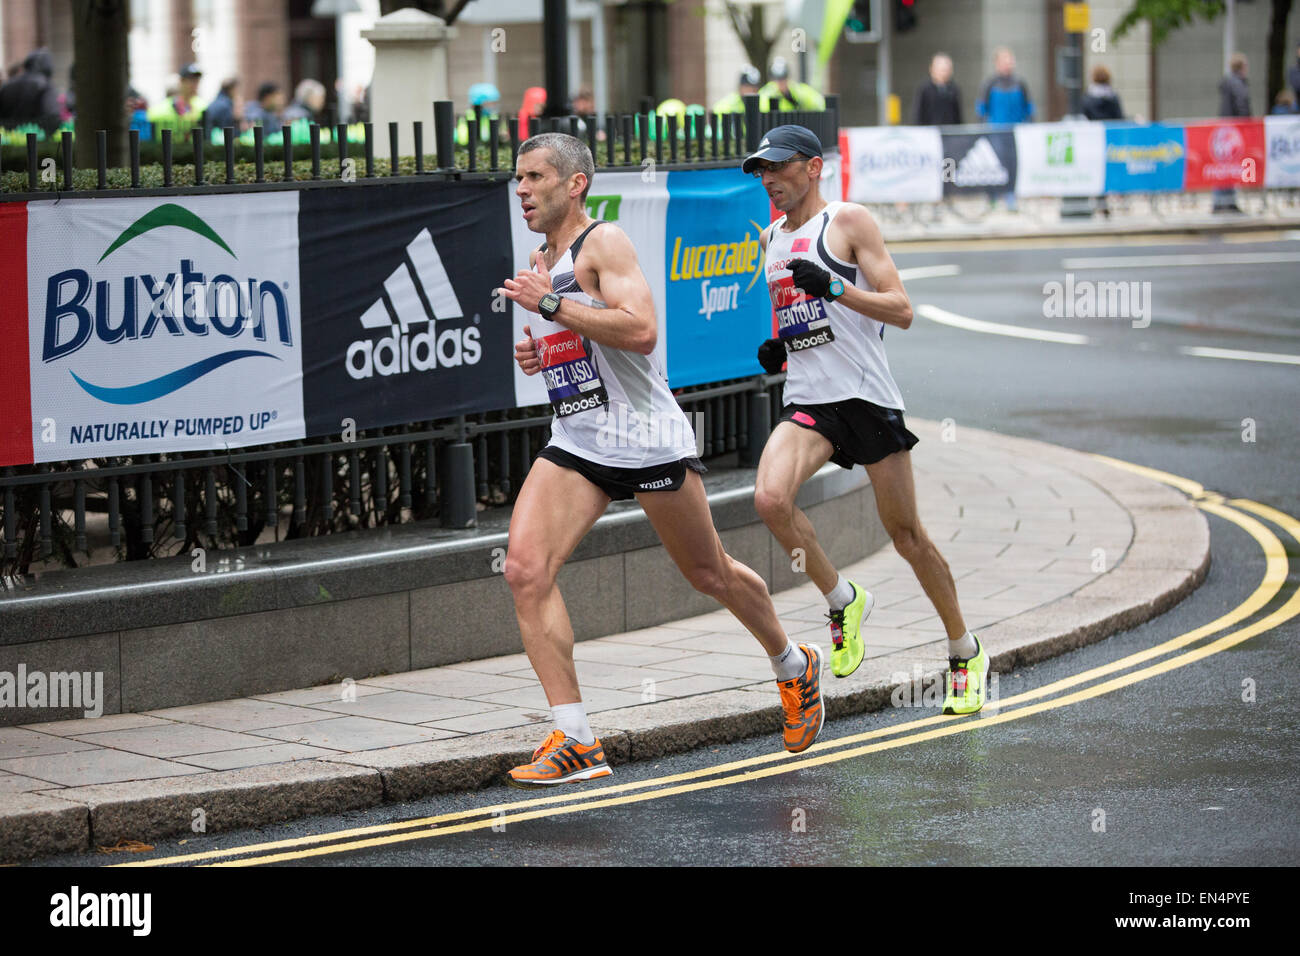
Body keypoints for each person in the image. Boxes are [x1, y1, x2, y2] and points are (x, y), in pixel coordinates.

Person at [498, 132, 825, 786]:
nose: (522, 189)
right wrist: (544, 349)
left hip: (642, 437)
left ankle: (795, 665)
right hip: (579, 438)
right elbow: (576, 335)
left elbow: (641, 329)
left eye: (535, 177)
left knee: (710, 573)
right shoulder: (543, 254)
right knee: (524, 569)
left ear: (575, 184)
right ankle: (576, 736)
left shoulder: (606, 242)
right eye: (519, 178)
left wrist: (554, 305)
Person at [744, 124, 988, 716]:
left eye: (779, 168)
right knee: (770, 500)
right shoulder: (773, 239)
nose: (770, 180)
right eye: (762, 171)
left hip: (865, 397)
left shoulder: (848, 222)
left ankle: (964, 649)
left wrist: (833, 287)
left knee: (906, 537)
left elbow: (901, 310)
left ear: (813, 168)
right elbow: (806, 319)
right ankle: (842, 599)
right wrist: (784, 347)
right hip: (811, 400)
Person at [1215, 53, 1250, 213]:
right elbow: (1242, 105)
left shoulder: (1228, 83)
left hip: (1225, 128)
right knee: (1230, 165)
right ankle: (1226, 201)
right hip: (1235, 130)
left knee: (1223, 165)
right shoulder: (1237, 84)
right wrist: (1247, 124)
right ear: (1242, 67)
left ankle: (1222, 201)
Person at [0, 48, 61, 134]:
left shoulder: (7, 85)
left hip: (8, 140)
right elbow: (53, 117)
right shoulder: (46, 86)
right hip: (37, 141)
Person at [976, 47, 1033, 125]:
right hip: (996, 132)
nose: (1008, 64)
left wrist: (1027, 124)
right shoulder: (989, 84)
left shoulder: (1020, 84)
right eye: (1004, 61)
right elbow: (981, 110)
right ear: (997, 63)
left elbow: (1029, 108)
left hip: (1018, 130)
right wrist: (987, 126)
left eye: (1010, 61)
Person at [911, 53, 962, 126]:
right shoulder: (924, 89)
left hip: (949, 132)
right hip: (929, 133)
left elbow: (957, 115)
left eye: (947, 69)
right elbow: (918, 114)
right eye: (942, 70)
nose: (944, 73)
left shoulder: (954, 89)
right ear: (932, 69)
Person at [758, 57, 826, 112]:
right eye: (777, 79)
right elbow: (762, 109)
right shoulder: (766, 93)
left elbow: (818, 103)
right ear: (772, 79)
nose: (780, 82)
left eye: (783, 78)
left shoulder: (798, 90)